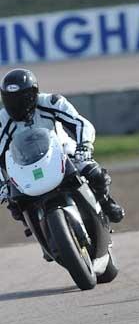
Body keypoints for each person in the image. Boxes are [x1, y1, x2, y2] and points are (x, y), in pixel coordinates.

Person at [0, 69, 125, 225]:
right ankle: (40, 232)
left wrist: (84, 145)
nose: (16, 105)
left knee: (95, 174)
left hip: (62, 152)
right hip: (25, 165)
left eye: (22, 98)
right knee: (15, 205)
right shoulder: (2, 120)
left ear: (34, 94)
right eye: (10, 100)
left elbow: (80, 123)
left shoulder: (51, 102)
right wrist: (2, 183)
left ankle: (105, 203)